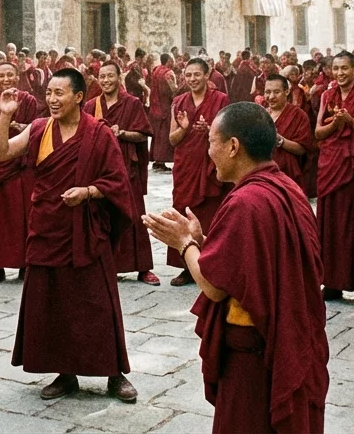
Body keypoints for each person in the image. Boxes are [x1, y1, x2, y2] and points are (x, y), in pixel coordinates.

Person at [143, 103, 329, 433]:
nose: (209, 151)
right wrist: (203, 240)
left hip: (253, 353)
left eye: (212, 142)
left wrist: (184, 243)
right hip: (288, 339)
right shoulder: (288, 188)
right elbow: (255, 259)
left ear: (233, 146)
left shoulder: (247, 200)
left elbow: (215, 285)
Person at [0, 69, 138, 402]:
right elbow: (0, 153)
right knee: (52, 303)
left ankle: (115, 374)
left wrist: (87, 191)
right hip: (47, 228)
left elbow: (118, 183)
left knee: (97, 303)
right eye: (50, 93)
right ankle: (64, 373)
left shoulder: (98, 134)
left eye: (60, 93)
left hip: (86, 231)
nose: (53, 100)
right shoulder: (40, 128)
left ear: (78, 97)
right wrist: (5, 116)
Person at [313, 52, 354, 303]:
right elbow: (319, 133)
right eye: (336, 69)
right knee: (330, 226)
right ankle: (332, 283)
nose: (340, 73)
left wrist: (349, 120)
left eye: (345, 68)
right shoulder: (326, 95)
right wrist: (335, 125)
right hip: (330, 166)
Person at [85, 63, 158, 285]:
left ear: (119, 78)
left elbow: (144, 134)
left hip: (127, 168)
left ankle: (143, 268)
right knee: (103, 216)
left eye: (110, 76)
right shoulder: (91, 105)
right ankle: (104, 265)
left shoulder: (132, 103)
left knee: (134, 216)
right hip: (101, 169)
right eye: (102, 77)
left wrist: (122, 133)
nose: (106, 80)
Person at [0, 61, 40, 284]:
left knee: (24, 216)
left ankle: (25, 264)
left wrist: (24, 128)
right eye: (1, 76)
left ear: (17, 77)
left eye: (10, 75)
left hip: (21, 164)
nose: (6, 79)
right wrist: (8, 122)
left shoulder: (29, 101)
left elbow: (37, 127)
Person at [169, 59, 230, 286]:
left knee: (211, 213)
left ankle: (213, 263)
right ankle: (187, 267)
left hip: (211, 163)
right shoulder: (178, 102)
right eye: (188, 75)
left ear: (207, 76)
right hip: (186, 164)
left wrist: (211, 130)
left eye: (197, 74)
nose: (193, 79)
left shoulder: (221, 100)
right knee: (184, 211)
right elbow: (172, 139)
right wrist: (185, 128)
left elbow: (227, 132)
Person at [263, 74, 311, 197]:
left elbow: (302, 149)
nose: (271, 97)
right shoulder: (261, 114)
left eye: (276, 92)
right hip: (264, 174)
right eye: (268, 92)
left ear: (287, 91)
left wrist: (281, 140)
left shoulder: (298, 115)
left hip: (288, 175)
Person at [148, 53, 177, 170]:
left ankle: (156, 160)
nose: (173, 63)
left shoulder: (156, 70)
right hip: (165, 107)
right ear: (169, 61)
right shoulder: (168, 73)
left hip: (154, 107)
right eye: (172, 60)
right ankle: (161, 160)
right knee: (164, 136)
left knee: (157, 136)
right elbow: (173, 90)